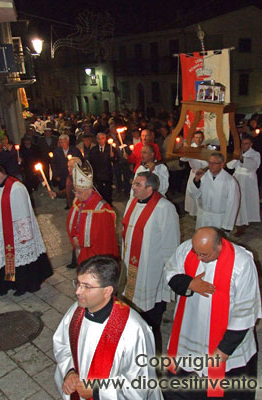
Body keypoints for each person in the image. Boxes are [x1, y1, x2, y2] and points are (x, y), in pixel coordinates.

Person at [164, 227, 262, 400]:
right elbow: (170, 271)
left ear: (219, 247)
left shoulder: (242, 263)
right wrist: (189, 283)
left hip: (225, 338)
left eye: (205, 255)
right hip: (191, 327)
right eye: (197, 253)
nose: (199, 258)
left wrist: (223, 351)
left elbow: (245, 311)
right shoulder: (188, 249)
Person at [53, 255, 163, 400]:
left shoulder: (133, 330)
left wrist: (97, 391)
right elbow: (62, 345)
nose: (78, 291)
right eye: (78, 284)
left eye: (87, 286)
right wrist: (70, 372)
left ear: (107, 291)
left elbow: (140, 382)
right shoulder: (76, 311)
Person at [122, 171, 180, 350]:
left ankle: (151, 342)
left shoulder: (165, 208)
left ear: (150, 188)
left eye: (138, 185)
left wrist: (169, 272)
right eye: (134, 183)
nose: (133, 187)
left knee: (152, 307)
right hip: (130, 262)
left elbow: (171, 243)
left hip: (151, 267)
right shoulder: (132, 202)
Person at [0, 163, 53, 296]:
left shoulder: (16, 188)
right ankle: (9, 283)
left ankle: (21, 285)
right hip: (2, 234)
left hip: (16, 235)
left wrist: (24, 235)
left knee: (20, 261)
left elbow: (23, 213)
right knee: (7, 260)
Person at [66, 160, 118, 267]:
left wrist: (80, 241)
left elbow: (102, 241)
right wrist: (74, 237)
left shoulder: (101, 210)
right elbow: (73, 223)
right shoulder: (78, 201)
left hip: (95, 255)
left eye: (79, 192)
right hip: (81, 251)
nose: (76, 195)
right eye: (74, 191)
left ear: (90, 190)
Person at [188, 152, 240, 233]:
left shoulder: (230, 181)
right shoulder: (203, 176)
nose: (210, 165)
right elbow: (193, 195)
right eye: (209, 163)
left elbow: (233, 204)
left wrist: (227, 225)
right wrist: (196, 181)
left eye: (214, 163)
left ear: (222, 164)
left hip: (219, 220)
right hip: (203, 218)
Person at [227, 135, 261, 235]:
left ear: (251, 144)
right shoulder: (238, 152)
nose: (244, 145)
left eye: (246, 144)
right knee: (237, 201)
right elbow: (230, 165)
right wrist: (236, 157)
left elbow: (254, 165)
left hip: (248, 180)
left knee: (246, 201)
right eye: (242, 143)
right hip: (237, 178)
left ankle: (245, 221)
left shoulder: (255, 154)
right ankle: (238, 222)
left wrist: (242, 159)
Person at [181, 131, 208, 216]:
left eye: (200, 137)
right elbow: (183, 158)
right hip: (195, 173)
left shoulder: (207, 146)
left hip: (206, 173)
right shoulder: (191, 148)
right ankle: (195, 213)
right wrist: (186, 150)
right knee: (194, 194)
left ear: (203, 138)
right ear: (193, 138)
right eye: (196, 137)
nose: (198, 140)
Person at [89, 132, 118, 205]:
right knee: (99, 191)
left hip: (107, 173)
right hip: (98, 174)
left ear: (105, 139)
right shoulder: (94, 149)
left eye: (102, 138)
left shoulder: (110, 148)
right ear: (96, 140)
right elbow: (91, 161)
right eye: (99, 139)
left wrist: (113, 157)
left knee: (108, 190)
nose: (101, 140)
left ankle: (108, 204)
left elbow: (116, 160)